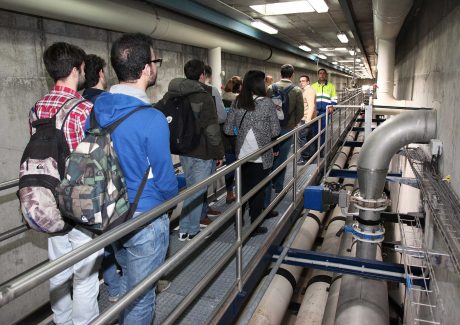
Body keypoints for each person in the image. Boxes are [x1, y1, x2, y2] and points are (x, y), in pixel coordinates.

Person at [91, 33, 178, 324]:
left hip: (112, 213)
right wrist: (171, 202)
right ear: (145, 69)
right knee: (141, 298)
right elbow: (165, 178)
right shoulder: (151, 118)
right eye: (156, 61)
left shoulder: (98, 108)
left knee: (130, 284)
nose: (156, 67)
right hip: (145, 217)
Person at [31, 42, 103, 325]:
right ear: (76, 70)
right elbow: (95, 159)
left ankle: (61, 321)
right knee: (85, 276)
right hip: (81, 202)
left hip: (49, 199)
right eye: (83, 68)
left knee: (59, 269)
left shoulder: (37, 108)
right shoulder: (84, 109)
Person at [157, 59, 224, 241]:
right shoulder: (204, 95)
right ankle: (191, 230)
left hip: (183, 149)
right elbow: (212, 129)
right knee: (197, 191)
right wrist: (219, 153)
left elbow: (157, 112)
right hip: (202, 151)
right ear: (202, 74)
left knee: (191, 189)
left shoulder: (172, 94)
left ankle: (185, 228)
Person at [82, 53, 121, 303]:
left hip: (83, 179)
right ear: (100, 74)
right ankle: (120, 287)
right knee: (116, 235)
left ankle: (112, 286)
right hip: (109, 177)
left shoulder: (78, 102)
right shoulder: (109, 101)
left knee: (96, 237)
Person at [224, 70, 280, 234]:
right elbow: (275, 131)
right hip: (261, 155)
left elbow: (227, 129)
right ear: (260, 83)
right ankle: (255, 225)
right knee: (258, 192)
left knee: (242, 191)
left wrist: (241, 133)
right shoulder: (267, 103)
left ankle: (238, 223)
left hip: (242, 155)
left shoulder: (237, 102)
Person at [266, 64, 303, 195]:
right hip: (287, 128)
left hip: (270, 128)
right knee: (282, 157)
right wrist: (293, 123)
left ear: (280, 73)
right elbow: (300, 112)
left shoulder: (270, 88)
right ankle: (278, 185)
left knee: (269, 155)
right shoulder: (297, 90)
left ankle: (267, 183)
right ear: (292, 75)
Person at [221, 76, 242, 204]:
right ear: (239, 87)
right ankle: (242, 192)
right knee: (243, 165)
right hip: (239, 138)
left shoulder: (221, 100)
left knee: (230, 166)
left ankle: (230, 193)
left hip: (226, 137)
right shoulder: (240, 101)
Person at [311, 68, 337, 150]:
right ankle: (315, 149)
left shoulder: (331, 86)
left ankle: (321, 149)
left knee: (322, 131)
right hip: (314, 112)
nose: (321, 75)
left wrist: (332, 105)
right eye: (320, 73)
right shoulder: (313, 86)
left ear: (326, 75)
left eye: (323, 73)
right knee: (314, 131)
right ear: (318, 75)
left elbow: (334, 98)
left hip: (325, 112)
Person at [297, 74, 317, 165]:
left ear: (308, 82)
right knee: (310, 138)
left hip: (306, 118)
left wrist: (308, 119)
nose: (301, 83)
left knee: (302, 138)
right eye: (300, 81)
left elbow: (311, 105)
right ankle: (311, 157)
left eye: (303, 81)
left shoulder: (309, 91)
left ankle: (304, 157)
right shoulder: (306, 90)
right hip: (307, 118)